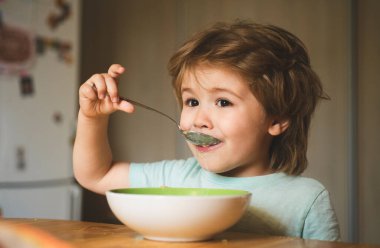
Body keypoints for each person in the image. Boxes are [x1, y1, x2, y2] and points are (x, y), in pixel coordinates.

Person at [73, 20, 340, 241]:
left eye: (223, 102)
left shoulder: (306, 199)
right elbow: (97, 175)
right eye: (192, 101)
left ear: (277, 120)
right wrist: (91, 118)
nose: (199, 119)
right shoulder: (174, 179)